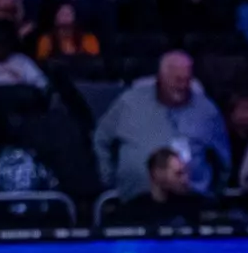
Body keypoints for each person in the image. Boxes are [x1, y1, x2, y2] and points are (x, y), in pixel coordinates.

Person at [94, 50, 231, 200]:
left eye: (187, 80)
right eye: (178, 80)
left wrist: (214, 193)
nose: (183, 86)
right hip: (135, 201)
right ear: (160, 78)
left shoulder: (207, 110)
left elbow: (223, 159)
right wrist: (108, 179)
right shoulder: (129, 103)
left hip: (193, 202)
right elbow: (101, 139)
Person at [112, 145, 211, 226]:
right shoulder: (132, 211)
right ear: (157, 174)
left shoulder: (197, 206)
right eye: (178, 174)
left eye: (185, 173)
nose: (185, 180)